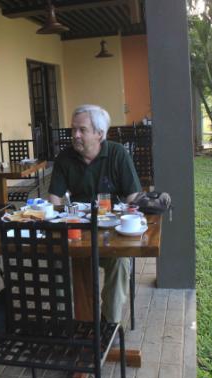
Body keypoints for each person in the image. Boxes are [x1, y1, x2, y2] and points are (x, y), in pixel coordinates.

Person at [48, 104, 142, 323]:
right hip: (76, 233)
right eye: (73, 129)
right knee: (56, 259)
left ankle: (109, 324)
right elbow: (53, 199)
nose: (75, 135)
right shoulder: (65, 158)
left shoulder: (117, 153)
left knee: (120, 263)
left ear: (100, 134)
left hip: (110, 235)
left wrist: (131, 218)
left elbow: (134, 198)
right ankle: (65, 321)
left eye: (81, 130)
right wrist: (53, 215)